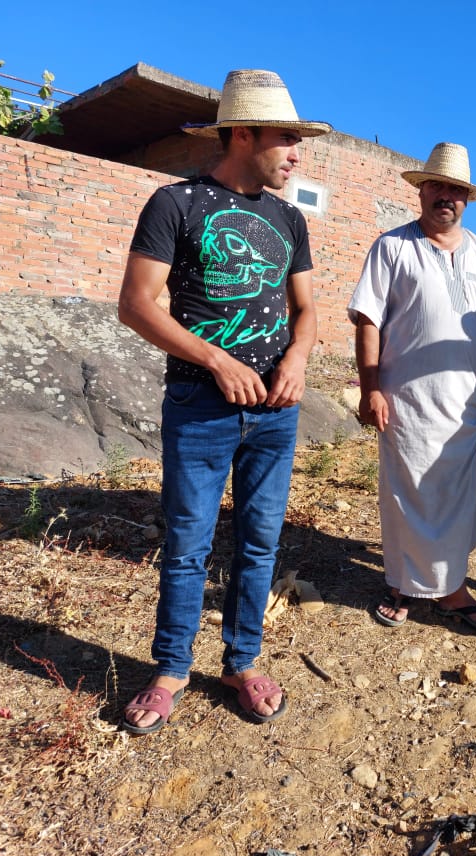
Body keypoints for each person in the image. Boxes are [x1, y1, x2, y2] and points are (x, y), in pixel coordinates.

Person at [117, 69, 329, 734]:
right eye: (286, 139)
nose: (296, 155)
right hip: (199, 406)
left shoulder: (289, 218)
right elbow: (136, 304)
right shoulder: (175, 203)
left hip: (276, 413)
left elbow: (307, 310)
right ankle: (171, 670)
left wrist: (296, 359)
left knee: (261, 543)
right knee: (188, 544)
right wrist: (216, 359)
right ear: (243, 134)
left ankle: (242, 662)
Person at [349, 142, 476, 633]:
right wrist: (371, 388)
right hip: (406, 401)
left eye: (456, 190)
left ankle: (451, 590)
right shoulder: (392, 247)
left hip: (466, 403)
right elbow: (368, 320)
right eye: (438, 186)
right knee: (407, 495)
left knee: (456, 498)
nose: (446, 196)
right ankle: (403, 585)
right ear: (421, 191)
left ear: (467, 199)